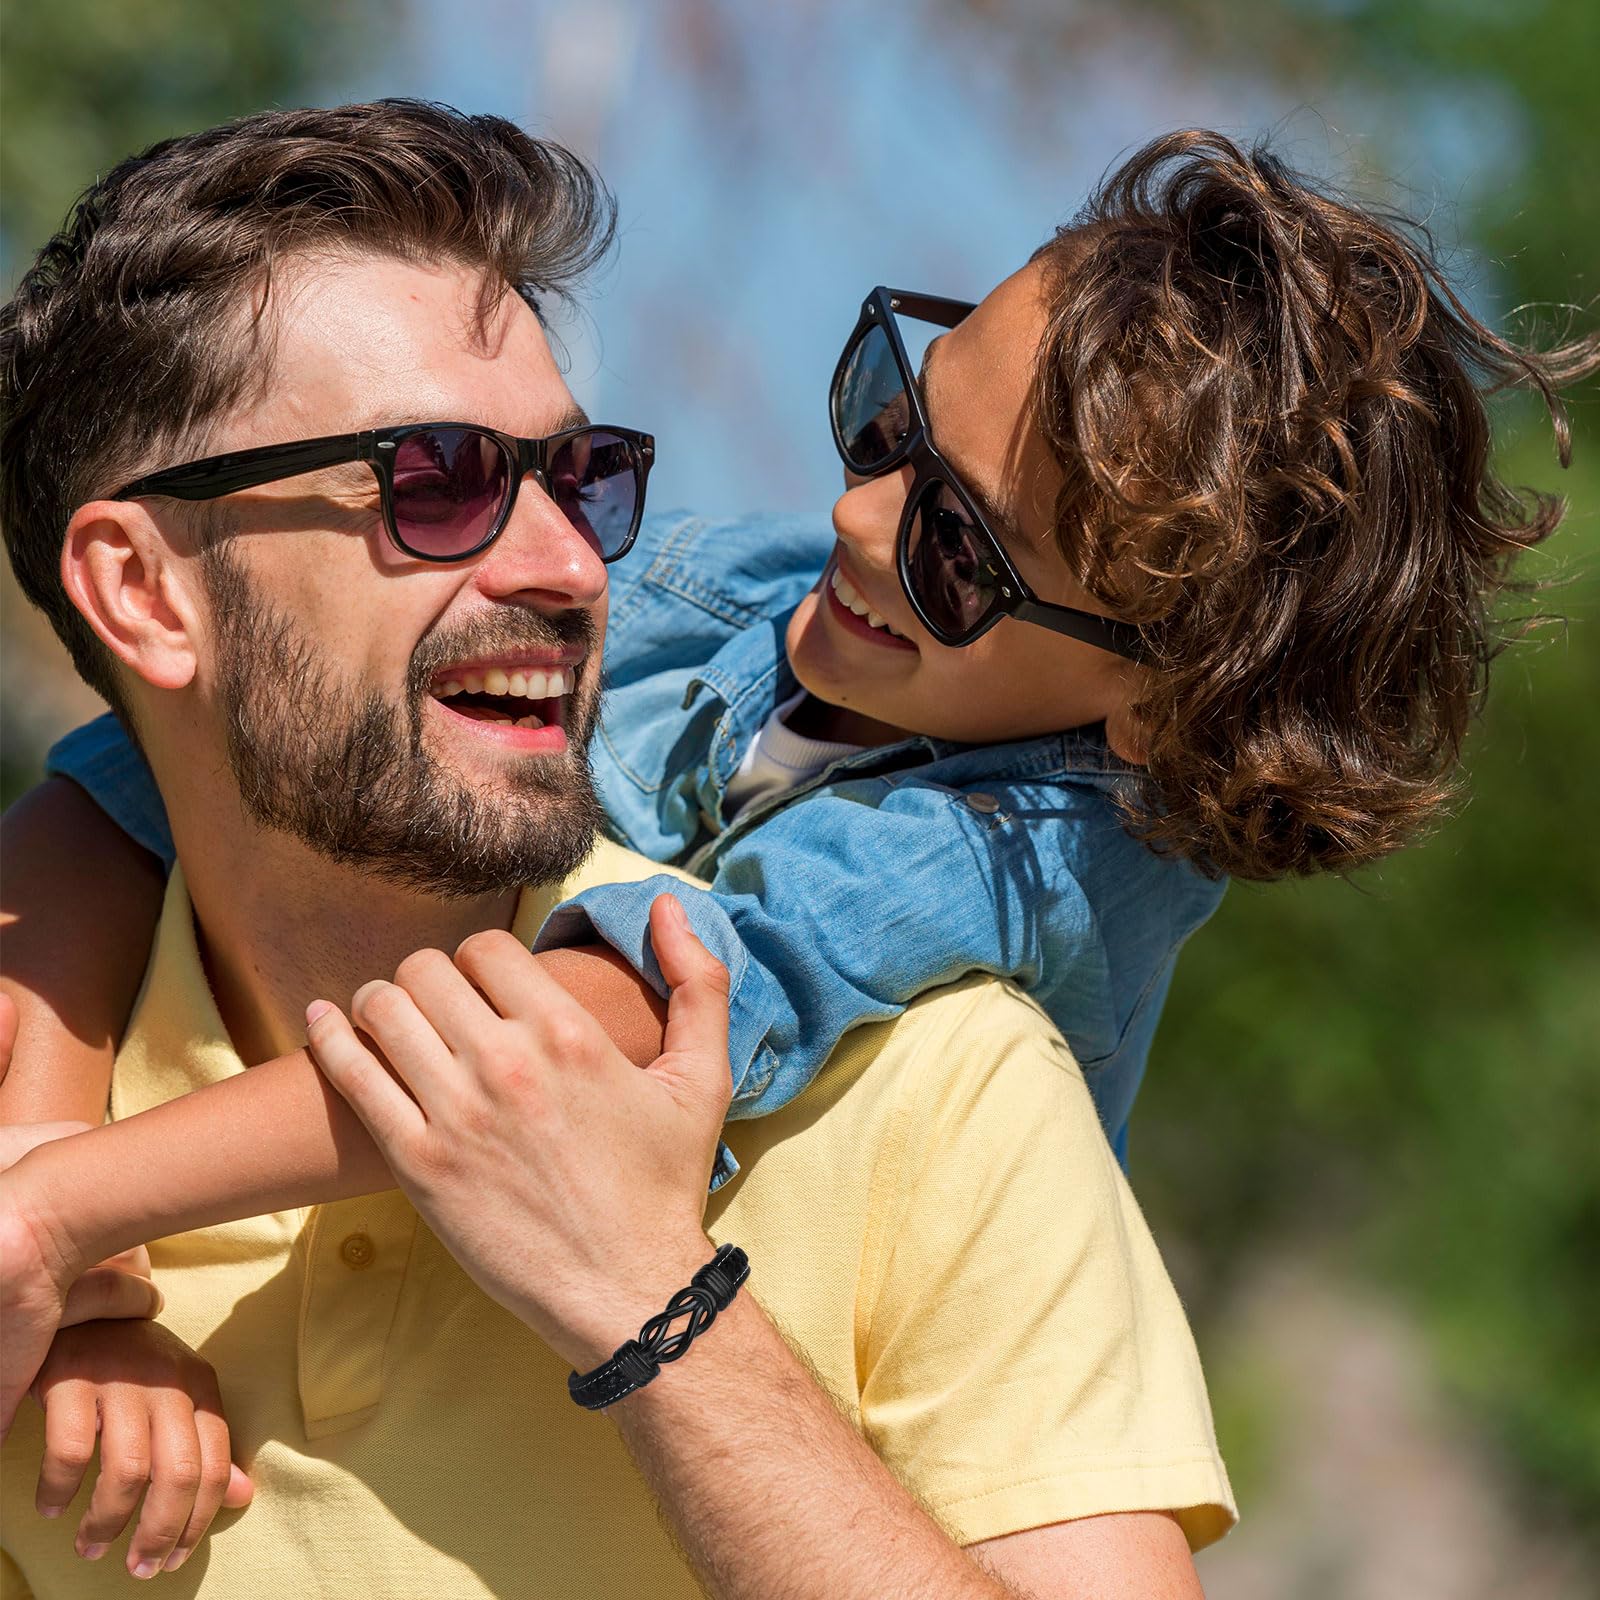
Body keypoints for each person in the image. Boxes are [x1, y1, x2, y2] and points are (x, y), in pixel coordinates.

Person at [0, 101, 1236, 1596]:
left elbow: (606, 1017)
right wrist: (57, 1210)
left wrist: (660, 1308)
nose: (576, 563)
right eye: (436, 479)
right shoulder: (752, 604)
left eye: (575, 474)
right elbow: (100, 788)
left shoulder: (943, 1074)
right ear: (141, 595)